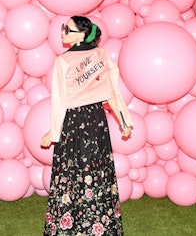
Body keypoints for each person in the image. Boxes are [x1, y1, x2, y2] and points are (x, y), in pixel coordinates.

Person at [41, 16, 133, 236]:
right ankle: (99, 226)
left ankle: (71, 227)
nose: (62, 32)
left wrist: (124, 121)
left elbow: (63, 100)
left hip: (75, 122)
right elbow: (109, 91)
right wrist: (124, 121)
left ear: (82, 34)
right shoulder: (95, 55)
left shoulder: (67, 61)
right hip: (94, 120)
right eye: (63, 28)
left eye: (68, 30)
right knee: (94, 171)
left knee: (75, 171)